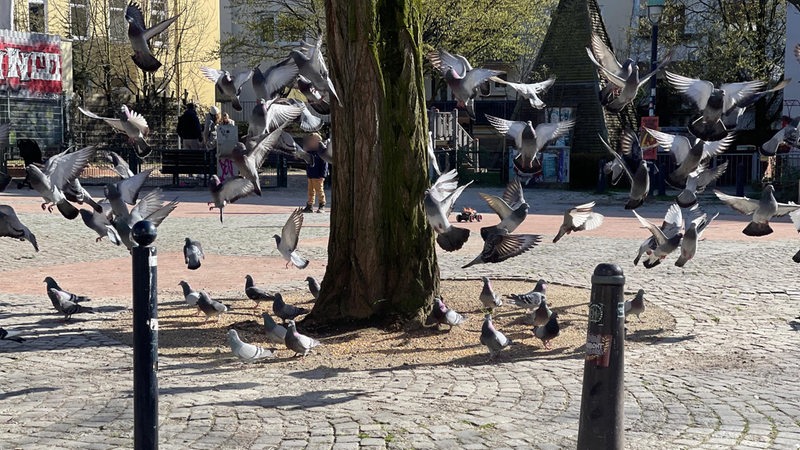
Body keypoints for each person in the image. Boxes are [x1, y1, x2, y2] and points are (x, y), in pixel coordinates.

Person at [303, 133, 328, 213]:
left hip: (318, 175)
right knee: (310, 191)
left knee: (319, 190)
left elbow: (325, 164)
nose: (311, 142)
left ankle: (322, 205)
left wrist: (323, 175)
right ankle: (310, 205)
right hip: (311, 174)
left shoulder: (321, 151)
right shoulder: (310, 151)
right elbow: (307, 161)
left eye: (313, 140)